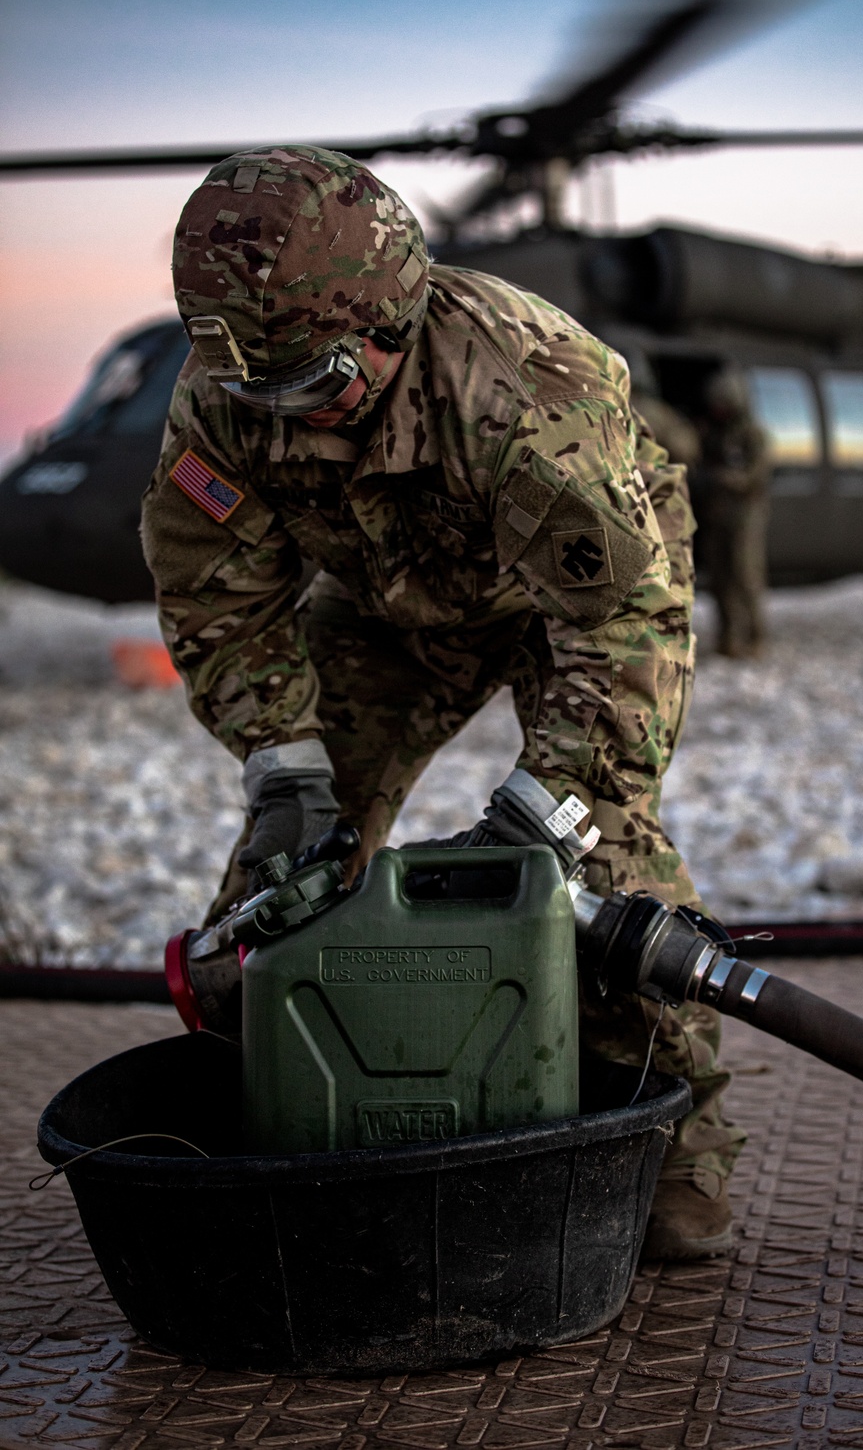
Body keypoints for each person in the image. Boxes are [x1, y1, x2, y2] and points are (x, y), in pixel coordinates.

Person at [140, 145, 744, 1259]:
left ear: (392, 321)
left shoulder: (524, 393)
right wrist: (285, 771)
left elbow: (624, 629)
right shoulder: (234, 394)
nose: (295, 421)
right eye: (260, 395)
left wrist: (547, 810)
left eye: (318, 389)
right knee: (283, 883)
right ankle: (278, 1130)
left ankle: (672, 1163)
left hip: (570, 598)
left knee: (597, 874)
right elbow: (214, 597)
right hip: (386, 599)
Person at [700, 368, 771, 658]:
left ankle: (755, 637)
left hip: (745, 516)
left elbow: (757, 476)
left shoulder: (752, 434)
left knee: (745, 575)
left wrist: (725, 478)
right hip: (718, 516)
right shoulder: (714, 433)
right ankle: (728, 637)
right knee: (720, 578)